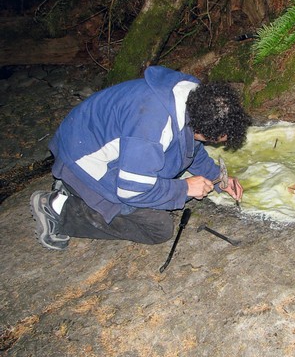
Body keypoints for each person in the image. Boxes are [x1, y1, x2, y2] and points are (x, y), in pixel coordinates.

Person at [30, 66, 252, 250]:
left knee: (165, 169)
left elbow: (191, 145)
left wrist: (218, 177)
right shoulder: (152, 126)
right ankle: (60, 207)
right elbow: (132, 191)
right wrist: (184, 189)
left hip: (92, 139)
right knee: (157, 226)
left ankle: (78, 189)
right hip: (81, 157)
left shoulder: (195, 99)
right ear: (202, 129)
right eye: (213, 140)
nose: (211, 143)